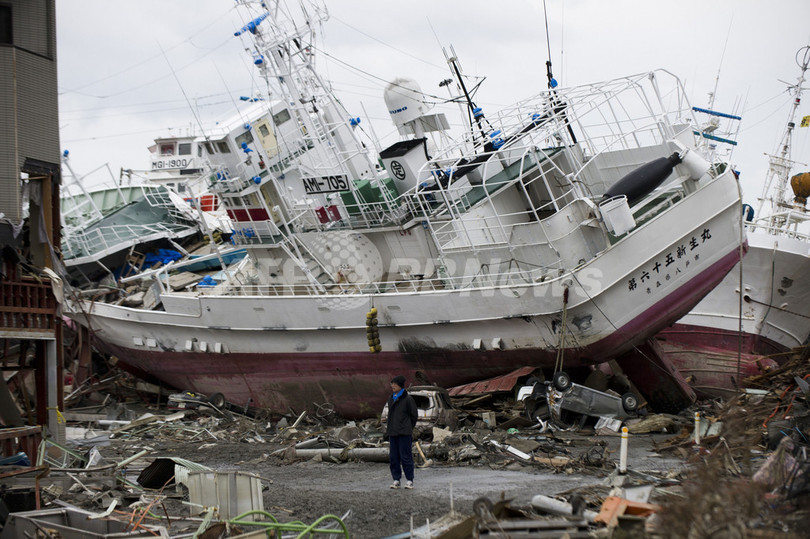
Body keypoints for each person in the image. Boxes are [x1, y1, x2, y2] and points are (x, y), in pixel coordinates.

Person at [385, 375, 418, 489]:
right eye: (392, 383)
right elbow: (390, 416)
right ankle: (396, 479)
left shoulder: (408, 399)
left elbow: (414, 415)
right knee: (394, 457)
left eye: (394, 383)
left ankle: (409, 480)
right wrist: (388, 430)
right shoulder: (390, 398)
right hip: (393, 432)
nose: (392, 386)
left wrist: (408, 427)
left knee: (406, 457)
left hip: (404, 433)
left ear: (400, 385)